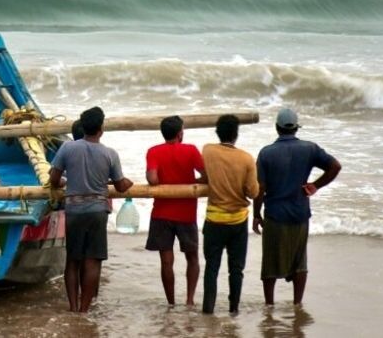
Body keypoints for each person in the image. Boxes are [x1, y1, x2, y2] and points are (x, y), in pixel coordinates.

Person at [253, 108, 342, 306]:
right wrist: (315, 185)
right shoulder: (310, 149)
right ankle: (297, 303)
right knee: (299, 261)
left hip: (275, 215)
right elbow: (335, 166)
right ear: (296, 128)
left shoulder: (266, 153)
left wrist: (256, 214)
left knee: (270, 262)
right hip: (300, 213)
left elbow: (260, 187)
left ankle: (269, 305)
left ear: (277, 128)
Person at [49, 106, 133, 313]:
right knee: (92, 261)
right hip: (97, 210)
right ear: (101, 129)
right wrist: (128, 183)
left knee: (73, 261)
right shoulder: (110, 154)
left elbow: (53, 179)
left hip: (74, 209)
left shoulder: (68, 148)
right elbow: (120, 186)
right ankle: (84, 310)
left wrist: (63, 183)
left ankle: (73, 307)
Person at [200, 114, 258, 315]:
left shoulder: (207, 150)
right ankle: (234, 309)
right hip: (238, 221)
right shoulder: (246, 158)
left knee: (211, 268)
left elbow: (205, 175)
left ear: (217, 132)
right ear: (236, 134)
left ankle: (208, 309)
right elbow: (253, 192)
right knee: (236, 269)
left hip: (214, 219)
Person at [144, 115, 205, 307]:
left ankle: (171, 302)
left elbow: (153, 179)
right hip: (186, 213)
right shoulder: (191, 150)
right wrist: (192, 182)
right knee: (192, 257)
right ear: (180, 133)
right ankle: (189, 300)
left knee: (166, 261)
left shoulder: (153, 151)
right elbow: (207, 175)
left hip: (161, 212)